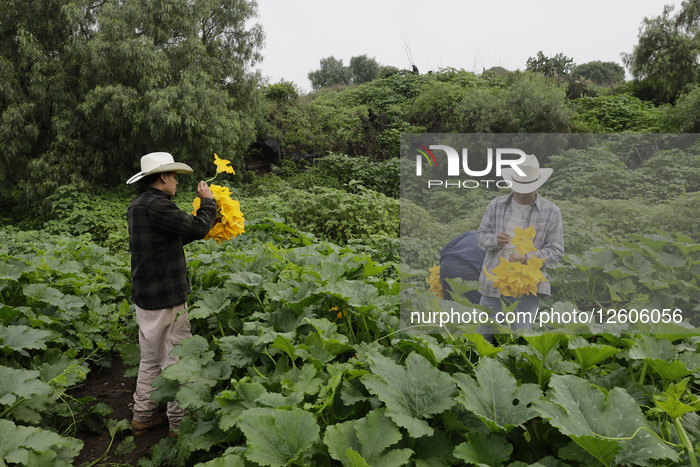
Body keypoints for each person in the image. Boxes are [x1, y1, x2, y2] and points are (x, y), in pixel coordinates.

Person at [126, 152, 217, 437]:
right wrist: (208, 202)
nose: (177, 182)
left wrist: (207, 223)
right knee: (179, 360)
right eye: (175, 176)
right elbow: (197, 227)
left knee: (151, 358)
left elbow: (178, 235)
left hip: (146, 298)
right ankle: (180, 425)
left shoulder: (139, 205)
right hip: (166, 297)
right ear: (163, 177)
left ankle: (142, 417)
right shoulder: (157, 205)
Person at [476, 154, 564, 339]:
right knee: (481, 340)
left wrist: (528, 258)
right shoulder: (496, 205)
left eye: (527, 189)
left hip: (527, 287)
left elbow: (556, 250)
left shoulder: (551, 211)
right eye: (518, 188)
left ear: (538, 185)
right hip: (494, 285)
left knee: (518, 342)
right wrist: (495, 240)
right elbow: (481, 237)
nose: (522, 193)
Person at [439, 231, 485, 304]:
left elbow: (444, 249)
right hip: (467, 267)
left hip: (446, 263)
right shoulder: (494, 242)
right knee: (480, 306)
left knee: (448, 305)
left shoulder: (470, 233)